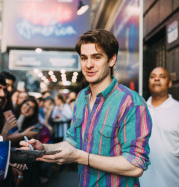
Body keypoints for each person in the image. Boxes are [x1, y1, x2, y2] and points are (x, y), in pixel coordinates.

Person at [20, 29, 152, 186]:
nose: (89, 65)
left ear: (111, 60)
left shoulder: (131, 103)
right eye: (84, 58)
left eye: (97, 57)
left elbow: (135, 166)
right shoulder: (82, 97)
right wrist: (44, 148)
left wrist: (80, 157)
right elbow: (73, 142)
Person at [139, 67, 179, 187]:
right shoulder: (140, 110)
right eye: (152, 76)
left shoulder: (177, 110)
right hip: (141, 183)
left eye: (162, 76)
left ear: (170, 83)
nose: (156, 79)